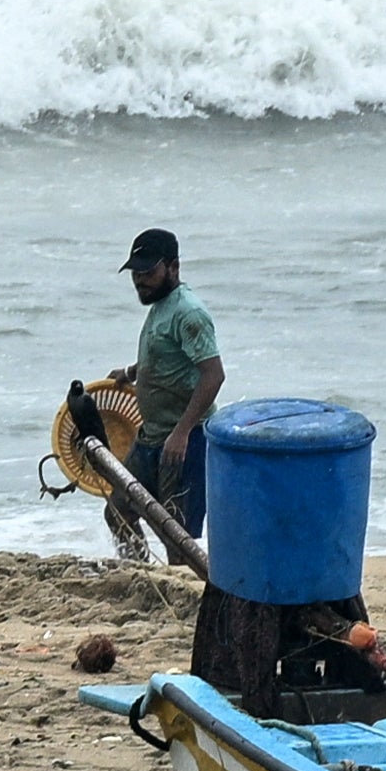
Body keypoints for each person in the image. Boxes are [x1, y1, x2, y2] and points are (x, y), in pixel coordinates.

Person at [114, 227, 224, 539]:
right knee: (119, 509)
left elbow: (213, 375)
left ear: (173, 267)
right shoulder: (161, 304)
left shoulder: (189, 312)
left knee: (176, 534)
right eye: (135, 272)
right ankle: (140, 574)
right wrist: (131, 371)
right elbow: (165, 354)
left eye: (148, 271)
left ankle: (177, 585)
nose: (139, 280)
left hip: (185, 441)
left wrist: (182, 432)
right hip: (151, 437)